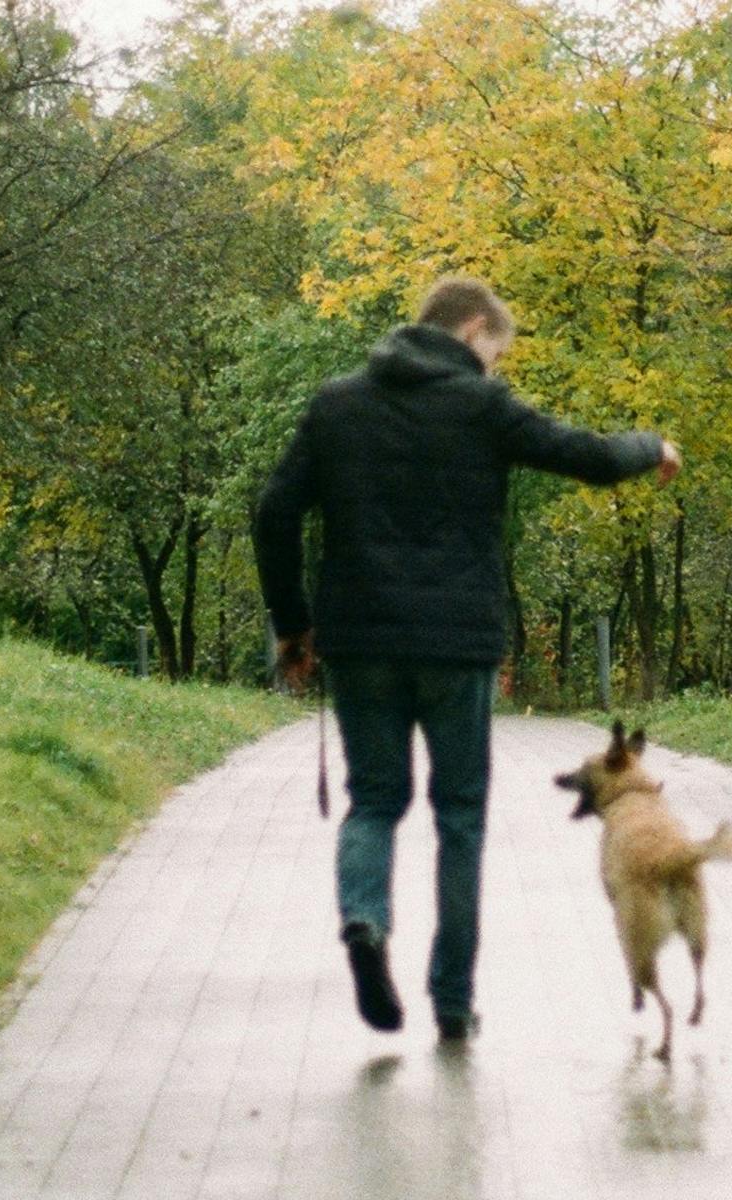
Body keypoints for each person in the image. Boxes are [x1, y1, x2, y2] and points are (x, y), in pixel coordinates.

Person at [254, 276, 680, 1041]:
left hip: (362, 641)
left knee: (375, 801)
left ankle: (364, 921)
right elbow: (580, 455)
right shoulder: (482, 406)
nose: (496, 368)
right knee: (460, 819)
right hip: (457, 646)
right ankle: (452, 1001)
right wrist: (650, 448)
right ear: (474, 327)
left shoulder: (337, 404)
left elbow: (274, 511)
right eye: (496, 353)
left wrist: (293, 626)